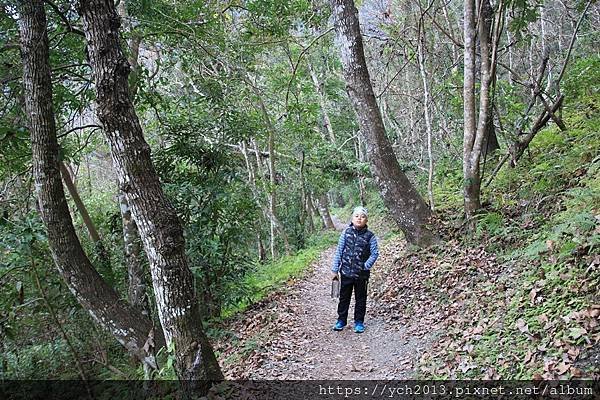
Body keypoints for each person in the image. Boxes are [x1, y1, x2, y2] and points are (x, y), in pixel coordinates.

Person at [331, 206, 379, 333]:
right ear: (352, 218)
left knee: (361, 298)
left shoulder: (370, 236)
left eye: (362, 216)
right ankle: (341, 320)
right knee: (344, 298)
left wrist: (366, 266)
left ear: (366, 220)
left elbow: (375, 253)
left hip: (362, 275)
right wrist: (334, 269)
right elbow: (339, 251)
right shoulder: (346, 233)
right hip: (346, 272)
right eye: (357, 216)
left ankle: (359, 322)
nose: (359, 218)